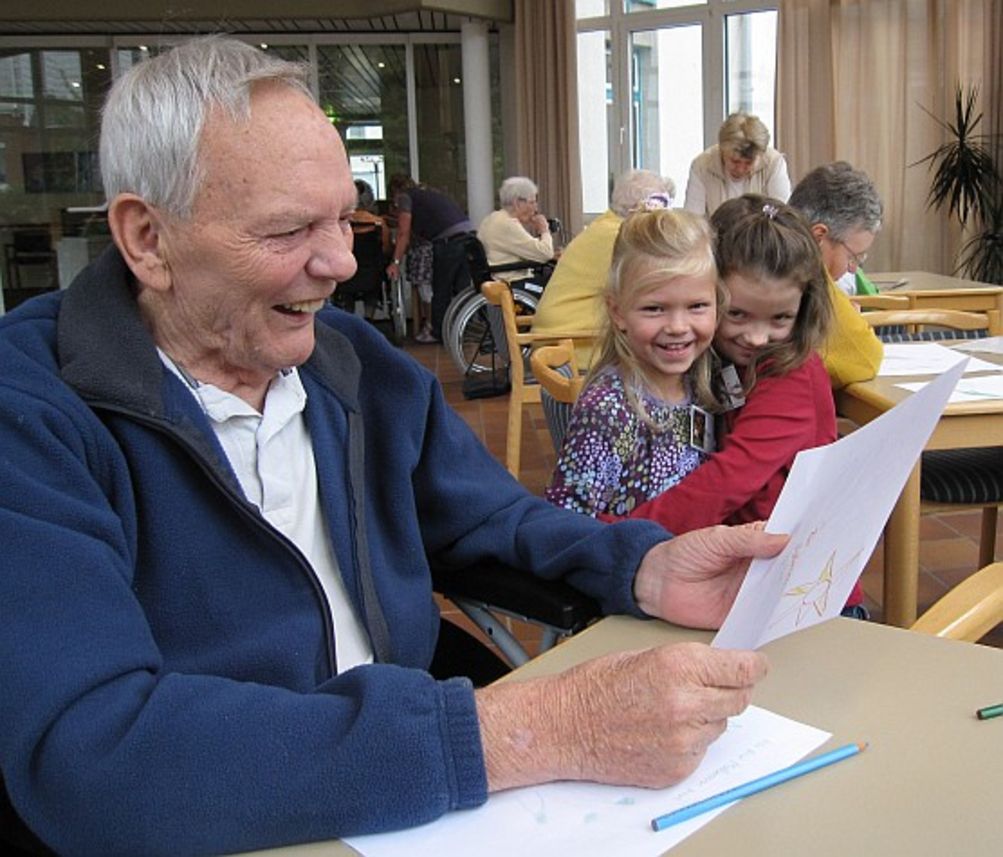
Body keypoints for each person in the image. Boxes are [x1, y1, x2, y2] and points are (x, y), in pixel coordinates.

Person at [0, 37, 789, 856]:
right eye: (287, 230)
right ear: (146, 238)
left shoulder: (353, 363)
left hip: (413, 799)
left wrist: (638, 565)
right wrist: (531, 728)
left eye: (343, 215)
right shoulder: (31, 415)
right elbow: (88, 754)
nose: (341, 261)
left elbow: (491, 520)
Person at [603, 195, 866, 615]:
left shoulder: (791, 373)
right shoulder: (716, 360)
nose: (757, 338)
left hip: (803, 594)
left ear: (803, 310)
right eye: (738, 314)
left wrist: (614, 536)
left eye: (780, 319)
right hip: (745, 575)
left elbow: (728, 480)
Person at [545, 208, 723, 517]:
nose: (678, 326)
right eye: (655, 309)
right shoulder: (608, 410)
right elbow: (570, 523)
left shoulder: (704, 379)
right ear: (617, 312)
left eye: (697, 306)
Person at [531, 169, 676, 368]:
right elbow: (659, 283)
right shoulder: (621, 236)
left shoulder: (605, 225)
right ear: (641, 209)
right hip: (572, 344)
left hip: (555, 336)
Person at [789, 161, 885, 388]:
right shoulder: (805, 270)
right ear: (818, 236)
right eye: (853, 257)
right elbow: (865, 359)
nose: (853, 269)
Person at [386, 173, 476, 342]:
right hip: (469, 236)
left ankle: (439, 334)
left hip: (448, 241)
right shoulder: (430, 193)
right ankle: (465, 330)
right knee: (461, 289)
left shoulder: (405, 197)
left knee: (441, 289)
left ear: (395, 191)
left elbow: (403, 232)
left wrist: (395, 262)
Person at [683, 112, 791, 217]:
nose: (740, 169)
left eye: (749, 163)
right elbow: (693, 220)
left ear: (761, 155)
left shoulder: (774, 163)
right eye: (734, 161)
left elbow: (782, 215)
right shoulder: (702, 166)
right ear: (722, 150)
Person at [476, 176, 556, 285]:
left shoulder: (492, 218)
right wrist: (544, 230)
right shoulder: (508, 224)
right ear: (517, 203)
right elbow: (546, 254)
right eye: (532, 202)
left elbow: (526, 249)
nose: (536, 208)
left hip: (497, 277)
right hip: (513, 282)